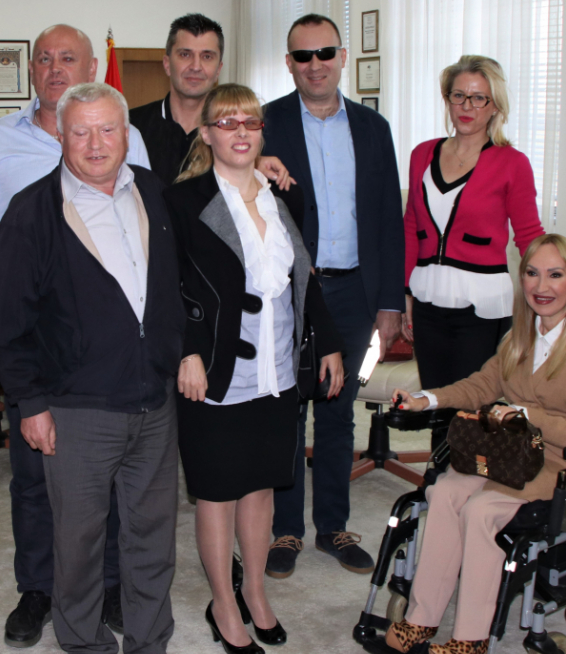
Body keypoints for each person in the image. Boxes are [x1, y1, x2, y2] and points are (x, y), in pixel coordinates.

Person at [0, 24, 150, 647]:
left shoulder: (127, 136)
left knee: (112, 473)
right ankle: (38, 587)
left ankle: (111, 585)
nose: (55, 68)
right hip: (30, 338)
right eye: (44, 59)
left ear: (92, 67)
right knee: (35, 472)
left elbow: (148, 226)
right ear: (31, 70)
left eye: (68, 58)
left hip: (104, 345)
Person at [0, 82, 184, 654]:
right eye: (80, 131)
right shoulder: (32, 211)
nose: (95, 144)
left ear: (126, 134)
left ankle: (149, 641)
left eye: (107, 129)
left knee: (153, 539)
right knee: (78, 544)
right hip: (76, 410)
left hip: (154, 401)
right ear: (60, 135)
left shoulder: (153, 191)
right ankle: (83, 643)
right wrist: (30, 403)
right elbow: (7, 326)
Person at [165, 83, 345, 654]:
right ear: (206, 133)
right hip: (215, 371)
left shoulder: (282, 196)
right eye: (226, 122)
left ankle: (255, 591)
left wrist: (329, 342)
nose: (239, 132)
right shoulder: (183, 201)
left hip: (276, 372)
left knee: (261, 488)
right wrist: (186, 352)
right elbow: (168, 287)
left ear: (261, 132)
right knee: (218, 492)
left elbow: (303, 276)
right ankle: (223, 602)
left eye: (250, 122)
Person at [387, 233, 566, 654]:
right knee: (444, 492)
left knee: (480, 511)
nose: (541, 286)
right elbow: (482, 385)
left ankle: (470, 639)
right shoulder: (521, 335)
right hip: (513, 454)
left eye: (555, 275)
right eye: (532, 274)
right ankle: (422, 618)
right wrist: (427, 399)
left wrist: (526, 415)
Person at [261, 13, 406, 579]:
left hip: (354, 292)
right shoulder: (266, 123)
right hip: (290, 292)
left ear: (343, 57)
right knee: (288, 412)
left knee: (338, 413)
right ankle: (286, 530)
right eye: (303, 56)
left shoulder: (373, 128)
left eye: (325, 53)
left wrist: (391, 301)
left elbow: (388, 221)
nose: (315, 64)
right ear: (289, 63)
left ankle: (333, 526)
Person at [401, 56, 545, 433]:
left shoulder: (512, 163)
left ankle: (471, 470)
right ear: (447, 99)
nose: (467, 106)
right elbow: (411, 225)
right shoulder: (422, 154)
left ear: (495, 106)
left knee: (471, 410)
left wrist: (547, 291)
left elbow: (529, 236)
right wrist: (404, 293)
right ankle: (439, 471)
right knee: (434, 403)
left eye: (479, 98)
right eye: (459, 95)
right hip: (428, 299)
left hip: (482, 305)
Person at [130, 14, 293, 190]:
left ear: (218, 70)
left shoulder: (242, 136)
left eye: (207, 56)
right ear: (167, 64)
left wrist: (251, 164)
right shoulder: (131, 126)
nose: (196, 66)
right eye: (185, 54)